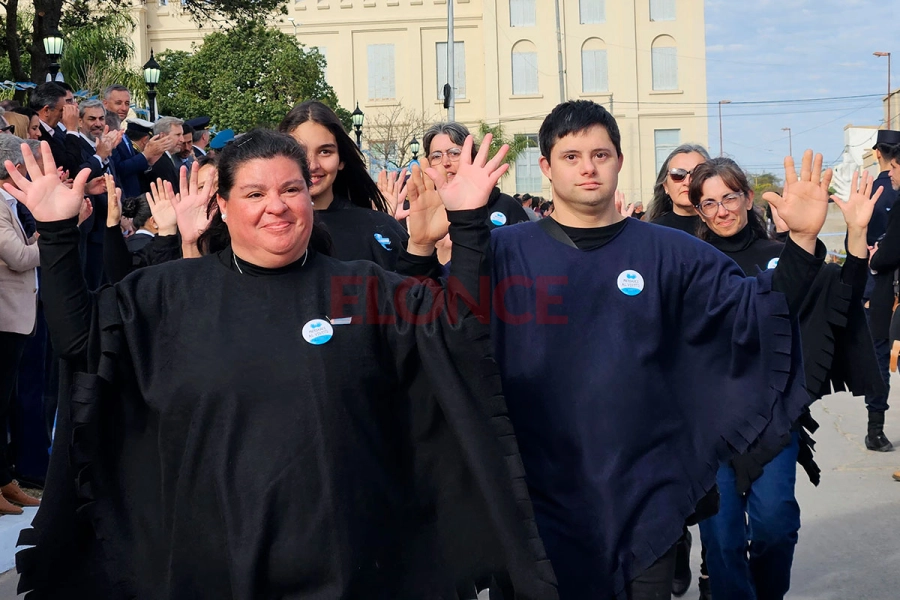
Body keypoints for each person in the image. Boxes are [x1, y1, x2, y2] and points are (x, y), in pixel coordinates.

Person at [12, 131, 557, 599]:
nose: (276, 205)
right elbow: (81, 343)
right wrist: (58, 232)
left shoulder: (359, 288)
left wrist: (467, 223)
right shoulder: (165, 295)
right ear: (222, 205)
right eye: (254, 192)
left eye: (290, 189)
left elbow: (460, 327)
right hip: (210, 566)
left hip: (348, 567)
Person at [400, 99, 833, 598]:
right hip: (534, 500)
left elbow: (758, 315)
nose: (588, 167)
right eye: (571, 156)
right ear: (545, 166)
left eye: (601, 154)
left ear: (620, 161)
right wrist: (426, 250)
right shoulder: (503, 253)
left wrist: (801, 242)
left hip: (643, 496)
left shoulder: (677, 255)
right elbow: (440, 330)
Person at [689, 157, 883, 600]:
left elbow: (843, 299)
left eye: (730, 197)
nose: (722, 210)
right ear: (698, 211)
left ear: (748, 198)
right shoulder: (691, 262)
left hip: (773, 422)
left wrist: (854, 235)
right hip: (709, 427)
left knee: (776, 528)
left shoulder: (785, 255)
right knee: (722, 543)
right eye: (709, 203)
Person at [278, 101, 409, 268]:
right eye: (299, 152)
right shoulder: (264, 225)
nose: (312, 165)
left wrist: (421, 244)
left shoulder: (375, 227)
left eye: (325, 152)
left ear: (341, 159)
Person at [0, 136, 48, 514]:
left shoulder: (8, 203)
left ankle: (4, 481)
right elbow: (18, 257)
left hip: (17, 314)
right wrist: (57, 237)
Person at [862, 131, 900, 452]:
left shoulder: (869, 189)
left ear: (877, 153)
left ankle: (876, 429)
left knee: (879, 355)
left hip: (877, 282)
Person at [422, 122, 531, 230]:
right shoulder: (421, 211)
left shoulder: (506, 205)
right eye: (436, 156)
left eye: (454, 153)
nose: (445, 162)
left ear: (472, 156)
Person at [645, 143, 711, 234]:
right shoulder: (652, 232)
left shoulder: (724, 226)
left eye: (697, 174)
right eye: (678, 174)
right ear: (665, 186)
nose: (687, 182)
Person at [110, 118, 170, 198]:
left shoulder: (125, 139)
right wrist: (145, 155)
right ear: (145, 140)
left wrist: (149, 162)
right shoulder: (115, 140)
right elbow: (119, 169)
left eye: (127, 104)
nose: (124, 108)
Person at [149, 116, 185, 193]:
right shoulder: (159, 161)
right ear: (163, 136)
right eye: (178, 135)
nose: (182, 140)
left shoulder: (166, 158)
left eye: (182, 135)